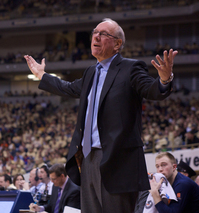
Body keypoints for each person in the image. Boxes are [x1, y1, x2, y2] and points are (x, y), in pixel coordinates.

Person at [24, 18, 178, 213]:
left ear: (117, 44)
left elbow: (151, 89)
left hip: (117, 159)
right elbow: (69, 88)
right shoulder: (90, 72)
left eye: (103, 34)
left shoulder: (130, 68)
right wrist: (42, 76)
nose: (96, 36)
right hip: (87, 157)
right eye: (94, 32)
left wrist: (165, 79)